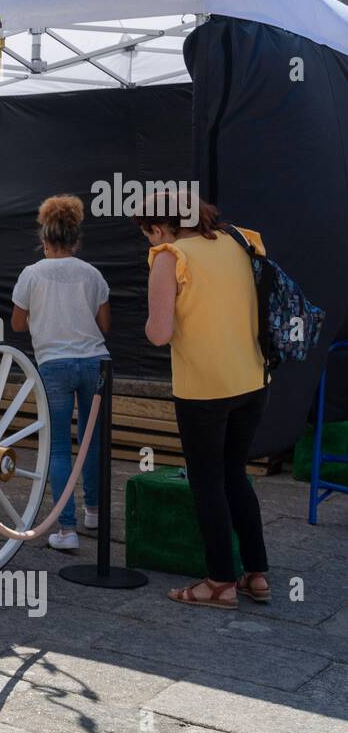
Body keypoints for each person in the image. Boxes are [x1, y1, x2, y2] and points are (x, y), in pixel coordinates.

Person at [135, 190, 269, 610]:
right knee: (235, 476)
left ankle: (219, 582)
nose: (150, 243)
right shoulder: (239, 240)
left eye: (148, 234)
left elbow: (158, 333)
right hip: (252, 379)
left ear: (159, 227)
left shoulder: (170, 257)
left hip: (203, 388)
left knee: (207, 482)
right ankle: (256, 575)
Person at [11, 195, 111, 551]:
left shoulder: (31, 275)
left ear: (44, 239)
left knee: (57, 449)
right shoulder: (92, 274)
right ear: (75, 239)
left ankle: (65, 529)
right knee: (92, 439)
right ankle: (95, 512)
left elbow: (18, 324)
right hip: (95, 362)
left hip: (53, 364)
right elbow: (104, 323)